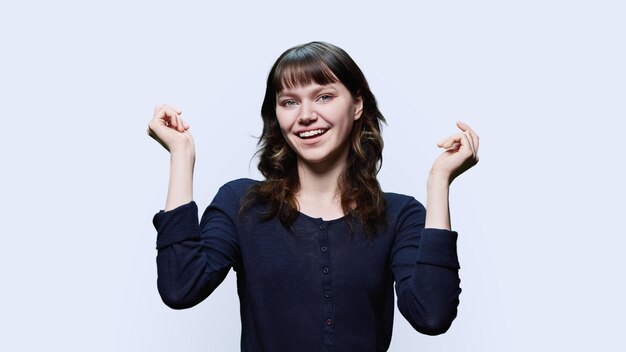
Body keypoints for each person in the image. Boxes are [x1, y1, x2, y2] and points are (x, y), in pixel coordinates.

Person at [147, 41, 479, 351]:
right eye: (289, 101)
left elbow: (432, 315)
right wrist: (181, 155)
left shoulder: (399, 214)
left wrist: (439, 181)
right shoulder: (242, 203)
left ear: (357, 104)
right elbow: (180, 287)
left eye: (324, 97)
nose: (305, 115)